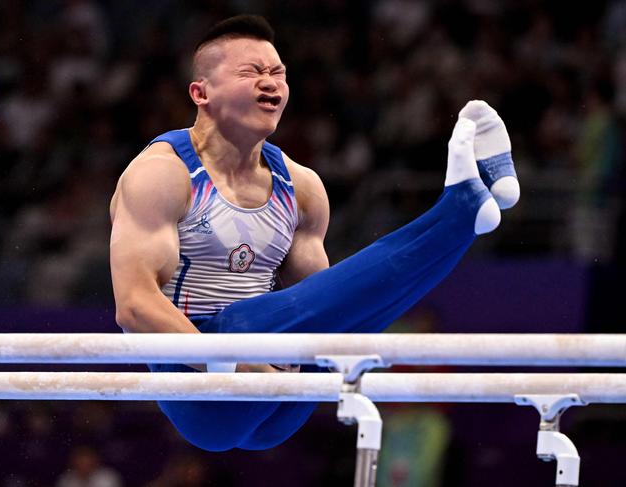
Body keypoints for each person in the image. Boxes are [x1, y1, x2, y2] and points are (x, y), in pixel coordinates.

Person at [109, 15, 520, 452]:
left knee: (345, 317)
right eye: (251, 71)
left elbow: (321, 303)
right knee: (243, 327)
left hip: (278, 399)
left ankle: (464, 218)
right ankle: (459, 212)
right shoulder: (162, 174)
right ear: (201, 92)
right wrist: (234, 363)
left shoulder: (302, 188)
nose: (270, 83)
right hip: (201, 388)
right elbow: (134, 306)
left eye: (278, 73)